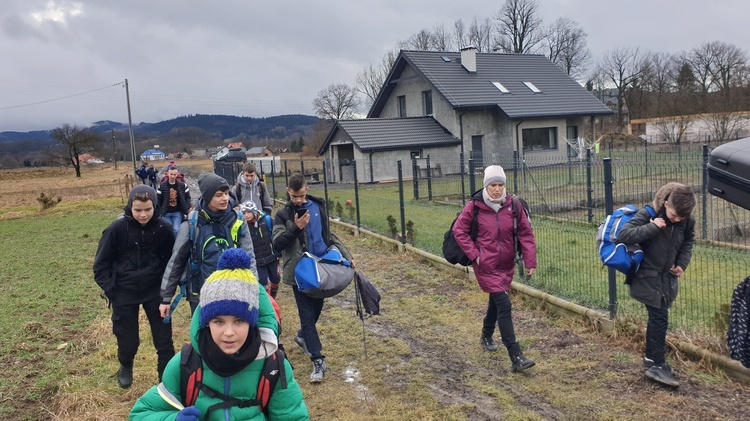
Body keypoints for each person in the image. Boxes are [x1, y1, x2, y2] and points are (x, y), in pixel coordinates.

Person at [130, 249, 308, 420]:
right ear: (206, 323)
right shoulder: (184, 364)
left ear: (252, 323)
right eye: (218, 322)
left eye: (239, 321)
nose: (229, 333)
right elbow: (141, 414)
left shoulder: (274, 366)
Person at [452, 165, 537, 372]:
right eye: (493, 185)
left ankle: (486, 334)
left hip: (506, 265)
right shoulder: (475, 206)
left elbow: (525, 233)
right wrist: (475, 255)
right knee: (504, 304)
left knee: (496, 301)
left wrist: (530, 260)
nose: (497, 189)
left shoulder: (513, 205)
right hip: (486, 265)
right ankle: (516, 355)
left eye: (501, 185)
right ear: (486, 186)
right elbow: (459, 230)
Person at [272, 172, 354, 383]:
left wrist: (346, 256)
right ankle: (318, 360)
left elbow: (329, 236)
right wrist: (296, 228)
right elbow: (278, 244)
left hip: (322, 269)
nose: (298, 200)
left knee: (316, 310)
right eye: (294, 196)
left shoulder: (318, 207)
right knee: (307, 314)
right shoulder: (282, 215)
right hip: (300, 273)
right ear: (288, 191)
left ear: (306, 189)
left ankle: (302, 336)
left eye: (301, 196)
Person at [92, 185, 176, 388]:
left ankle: (166, 381)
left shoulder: (164, 228)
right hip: (124, 291)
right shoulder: (116, 229)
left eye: (148, 209)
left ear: (155, 206)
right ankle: (126, 365)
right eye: (138, 210)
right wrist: (112, 290)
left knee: (164, 341)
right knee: (127, 339)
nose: (143, 214)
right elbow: (100, 265)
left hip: (155, 291)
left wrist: (167, 291)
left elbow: (172, 261)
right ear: (130, 207)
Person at [618, 182, 696, 388]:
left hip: (667, 279)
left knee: (658, 318)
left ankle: (652, 361)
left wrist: (681, 263)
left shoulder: (686, 221)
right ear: (666, 202)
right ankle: (656, 364)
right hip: (647, 277)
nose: (677, 220)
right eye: (674, 215)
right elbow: (623, 235)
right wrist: (653, 226)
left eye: (682, 217)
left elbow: (688, 242)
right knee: (660, 317)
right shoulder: (648, 214)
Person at [160, 173, 259, 317]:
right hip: (200, 292)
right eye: (219, 195)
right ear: (207, 197)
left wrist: (254, 289)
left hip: (234, 289)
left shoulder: (237, 220)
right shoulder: (191, 224)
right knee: (202, 336)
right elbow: (176, 261)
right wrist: (166, 298)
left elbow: (249, 255)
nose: (225, 198)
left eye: (226, 193)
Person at [241, 200, 281, 299]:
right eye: (244, 213)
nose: (246, 215)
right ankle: (267, 300)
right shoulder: (244, 227)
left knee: (275, 279)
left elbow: (275, 236)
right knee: (262, 282)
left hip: (272, 258)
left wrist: (278, 252)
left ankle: (273, 294)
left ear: (254, 212)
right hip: (258, 260)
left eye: (249, 212)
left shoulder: (266, 221)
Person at [159, 166, 192, 238]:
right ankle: (169, 245)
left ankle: (177, 245)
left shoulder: (182, 185)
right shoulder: (162, 186)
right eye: (171, 174)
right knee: (168, 229)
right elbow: (158, 199)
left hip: (177, 212)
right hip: (166, 212)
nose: (172, 176)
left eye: (174, 174)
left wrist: (187, 207)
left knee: (176, 229)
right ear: (168, 174)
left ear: (177, 175)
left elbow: (187, 197)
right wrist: (160, 210)